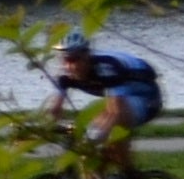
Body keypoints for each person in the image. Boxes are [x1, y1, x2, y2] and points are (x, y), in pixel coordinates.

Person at [50, 32, 165, 167]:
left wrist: (93, 139)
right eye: (65, 60)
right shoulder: (65, 75)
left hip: (146, 98)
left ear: (86, 57)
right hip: (122, 99)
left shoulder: (107, 68)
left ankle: (129, 177)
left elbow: (117, 111)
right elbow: (54, 110)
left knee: (112, 126)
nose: (69, 66)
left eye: (74, 59)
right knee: (90, 148)